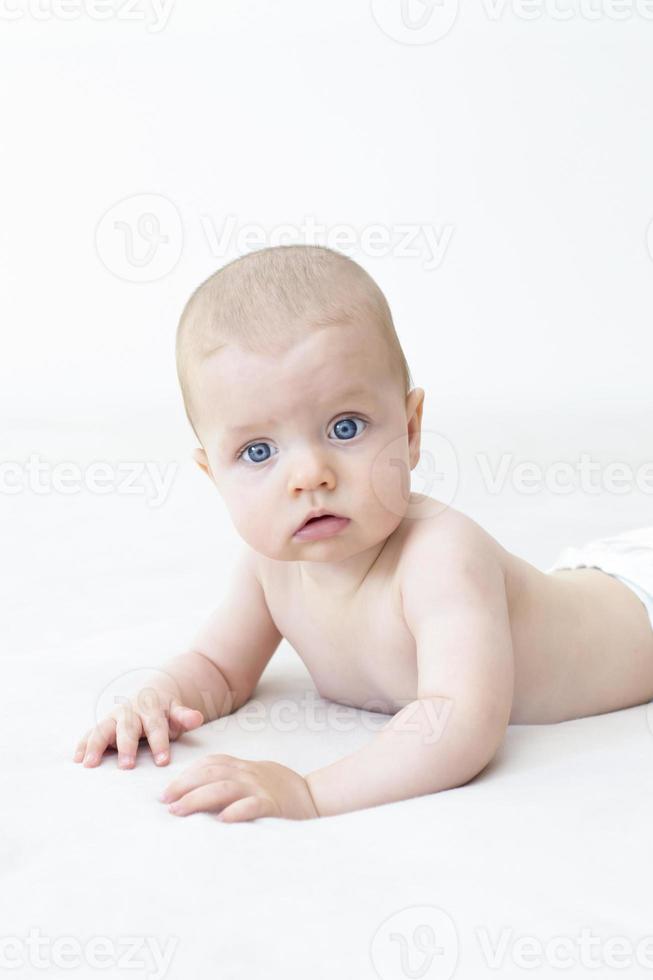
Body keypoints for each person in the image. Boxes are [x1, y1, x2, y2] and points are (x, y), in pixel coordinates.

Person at [72, 244, 653, 822]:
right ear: (213, 476)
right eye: (258, 451)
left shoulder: (441, 555)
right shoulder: (269, 570)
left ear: (410, 429)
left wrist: (311, 791)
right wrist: (158, 697)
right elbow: (219, 669)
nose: (309, 475)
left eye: (345, 427)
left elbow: (461, 722)